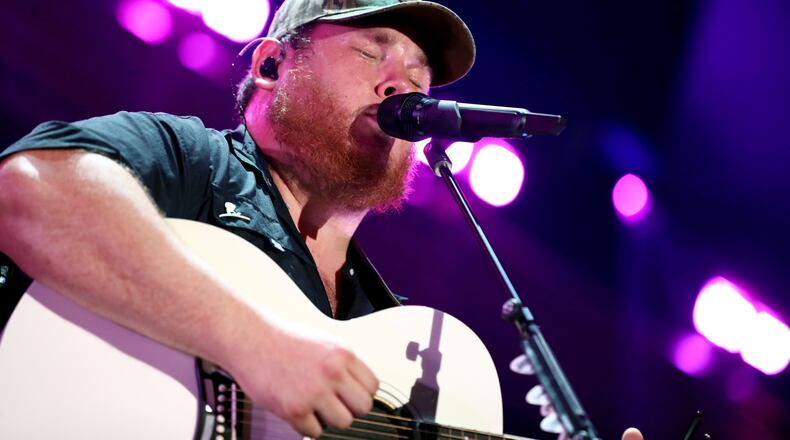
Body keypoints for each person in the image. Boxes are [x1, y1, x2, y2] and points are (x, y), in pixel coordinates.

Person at [0, 1, 643, 439]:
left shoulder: (385, 329)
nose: (406, 87)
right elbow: (29, 192)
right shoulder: (192, 162)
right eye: (373, 54)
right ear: (272, 65)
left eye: (419, 75)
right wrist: (254, 345)